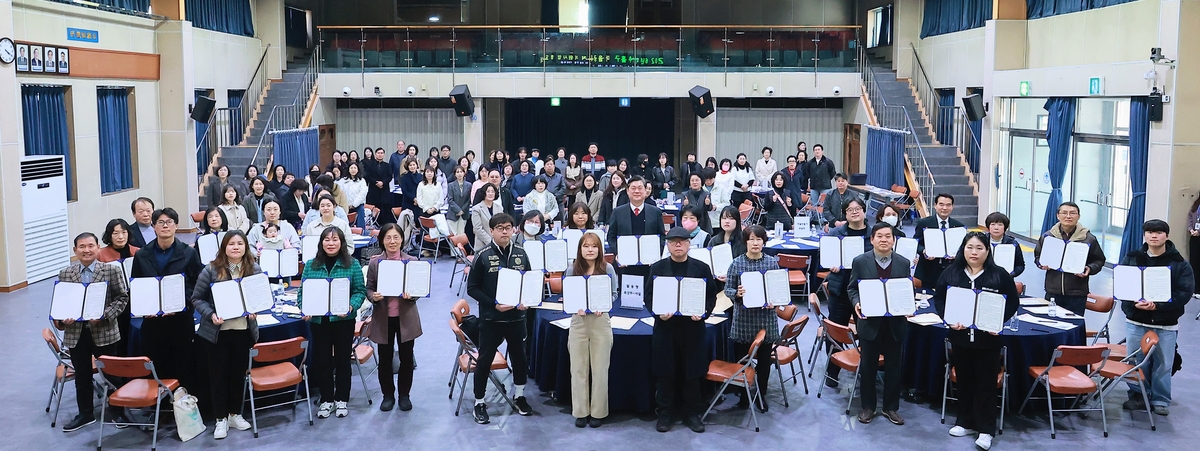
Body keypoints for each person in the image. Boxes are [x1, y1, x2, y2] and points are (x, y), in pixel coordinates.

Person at [933, 231, 1020, 451]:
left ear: (988, 251)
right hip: (960, 337)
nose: (974, 252)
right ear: (963, 249)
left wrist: (998, 321)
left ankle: (986, 430)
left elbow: (1012, 303)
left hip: (987, 341)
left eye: (979, 248)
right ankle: (965, 422)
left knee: (986, 384)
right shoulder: (952, 273)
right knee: (964, 381)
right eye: (970, 247)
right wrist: (949, 320)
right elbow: (940, 299)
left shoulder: (999, 275)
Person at [56, 232, 131, 432]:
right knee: (81, 375)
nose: (86, 250)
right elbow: (60, 303)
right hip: (76, 333)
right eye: (82, 246)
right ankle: (85, 413)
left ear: (98, 248)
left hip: (104, 331)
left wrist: (105, 315)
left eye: (90, 246)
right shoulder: (66, 273)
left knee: (112, 373)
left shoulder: (110, 271)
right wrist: (63, 319)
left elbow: (122, 298)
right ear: (75, 251)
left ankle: (118, 410)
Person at [1118, 219, 1194, 417]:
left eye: (1159, 232)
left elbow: (1184, 293)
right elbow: (1123, 285)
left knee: (1163, 362)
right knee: (1135, 359)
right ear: (1144, 235)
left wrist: (1158, 306)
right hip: (1136, 319)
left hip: (1165, 323)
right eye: (1150, 232)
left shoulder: (1179, 264)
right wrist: (1132, 303)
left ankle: (1160, 399)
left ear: (1166, 236)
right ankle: (1137, 395)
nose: (1154, 236)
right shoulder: (1132, 258)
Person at [646, 226, 719, 433]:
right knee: (665, 372)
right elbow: (649, 296)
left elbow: (711, 296)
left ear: (689, 244)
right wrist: (657, 312)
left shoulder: (701, 268)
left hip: (692, 329)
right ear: (667, 245)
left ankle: (691, 413)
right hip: (666, 329)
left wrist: (704, 312)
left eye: (682, 241)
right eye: (673, 241)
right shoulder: (657, 268)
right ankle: (665, 413)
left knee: (692, 373)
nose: (678, 244)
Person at [466, 212, 536, 424]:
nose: (505, 231)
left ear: (514, 230)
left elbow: (529, 282)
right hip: (491, 319)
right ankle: (479, 402)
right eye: (500, 228)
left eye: (508, 227)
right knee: (485, 360)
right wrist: (494, 304)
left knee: (520, 358)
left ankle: (520, 396)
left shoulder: (521, 253)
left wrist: (526, 300)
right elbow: (472, 289)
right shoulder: (482, 255)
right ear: (492, 231)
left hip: (517, 319)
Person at [190, 231, 260, 439]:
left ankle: (234, 414)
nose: (236, 247)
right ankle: (220, 419)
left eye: (240, 243)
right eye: (231, 244)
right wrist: (211, 314)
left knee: (238, 375)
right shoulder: (211, 269)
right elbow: (197, 298)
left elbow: (260, 296)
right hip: (217, 334)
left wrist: (257, 308)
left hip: (242, 331)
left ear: (246, 247)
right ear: (224, 247)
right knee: (218, 376)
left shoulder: (254, 269)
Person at [130, 208, 204, 389]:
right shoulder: (142, 255)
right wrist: (144, 309)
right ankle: (161, 409)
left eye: (170, 222)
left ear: (176, 226)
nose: (165, 226)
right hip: (153, 321)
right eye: (161, 222)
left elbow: (196, 284)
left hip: (180, 318)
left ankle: (184, 407)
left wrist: (181, 302)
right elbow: (136, 286)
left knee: (183, 362)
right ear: (154, 226)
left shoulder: (188, 252)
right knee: (157, 363)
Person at [847, 222, 912, 426]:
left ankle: (891, 407)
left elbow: (905, 288)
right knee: (868, 368)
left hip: (895, 323)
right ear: (872, 239)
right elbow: (852, 288)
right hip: (869, 323)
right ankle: (868, 407)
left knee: (894, 367)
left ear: (894, 240)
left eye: (888, 236)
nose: (884, 240)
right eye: (880, 236)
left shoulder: (903, 262)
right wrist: (857, 303)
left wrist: (908, 303)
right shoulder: (860, 261)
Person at [298, 227, 366, 419]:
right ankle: (327, 399)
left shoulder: (352, 264)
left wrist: (351, 307)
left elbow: (359, 291)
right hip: (319, 322)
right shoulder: (311, 265)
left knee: (343, 359)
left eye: (335, 239)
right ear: (321, 243)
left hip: (343, 321)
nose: (331, 243)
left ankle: (342, 399)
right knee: (322, 360)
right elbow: (303, 292)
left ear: (341, 242)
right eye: (327, 240)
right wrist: (305, 308)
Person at [365, 224, 423, 412]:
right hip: (383, 318)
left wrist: (412, 294)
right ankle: (387, 395)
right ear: (382, 240)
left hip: (406, 317)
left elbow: (418, 289)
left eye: (396, 237)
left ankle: (404, 395)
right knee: (385, 358)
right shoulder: (375, 263)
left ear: (402, 240)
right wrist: (373, 296)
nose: (392, 241)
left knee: (407, 358)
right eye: (388, 238)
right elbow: (369, 288)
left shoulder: (411, 261)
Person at [724, 225, 780, 411]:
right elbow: (727, 290)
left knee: (764, 363)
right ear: (745, 242)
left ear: (764, 242)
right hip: (743, 321)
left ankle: (760, 395)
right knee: (742, 361)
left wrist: (776, 301)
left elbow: (777, 290)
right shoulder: (736, 263)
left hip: (766, 320)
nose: (755, 243)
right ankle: (743, 396)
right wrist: (737, 293)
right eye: (751, 239)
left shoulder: (772, 263)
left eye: (759, 239)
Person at [564, 232, 617, 428]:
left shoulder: (607, 268)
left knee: (600, 368)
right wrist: (575, 305)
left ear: (599, 248)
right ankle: (581, 411)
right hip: (578, 321)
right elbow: (569, 294)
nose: (590, 250)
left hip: (600, 321)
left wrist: (602, 305)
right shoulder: (572, 269)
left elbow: (614, 293)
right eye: (586, 246)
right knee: (578, 368)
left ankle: (598, 412)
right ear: (580, 249)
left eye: (594, 246)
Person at [821, 198, 870, 385]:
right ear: (845, 213)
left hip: (864, 292)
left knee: (866, 332)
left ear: (864, 212)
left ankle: (865, 369)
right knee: (835, 331)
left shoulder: (873, 235)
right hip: (840, 289)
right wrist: (830, 265)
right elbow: (824, 258)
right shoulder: (835, 233)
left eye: (858, 209)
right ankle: (832, 370)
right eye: (850, 209)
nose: (855, 212)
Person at [1033, 201, 1106, 316]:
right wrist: (1040, 264)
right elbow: (1038, 256)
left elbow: (1099, 260)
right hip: (1053, 291)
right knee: (1051, 324)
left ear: (1078, 216)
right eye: (1064, 213)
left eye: (1072, 213)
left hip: (1077, 293)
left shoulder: (1088, 238)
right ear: (1058, 215)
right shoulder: (1048, 237)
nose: (1068, 216)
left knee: (1074, 325)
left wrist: (1089, 269)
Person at [915, 194, 965, 290]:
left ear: (952, 207)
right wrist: (924, 251)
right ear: (935, 205)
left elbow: (963, 247)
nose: (944, 208)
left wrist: (958, 254)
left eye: (948, 205)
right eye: (941, 204)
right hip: (928, 269)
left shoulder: (958, 226)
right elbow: (916, 243)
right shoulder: (924, 223)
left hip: (950, 269)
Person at [983, 212, 1025, 277]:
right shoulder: (981, 240)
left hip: (1005, 279)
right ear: (988, 227)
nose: (996, 228)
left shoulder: (1012, 243)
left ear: (1005, 227)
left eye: (1000, 225)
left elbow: (1020, 265)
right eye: (993, 224)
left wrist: (1012, 273)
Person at [469, 183, 502, 250]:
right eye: (488, 191)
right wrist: (491, 242)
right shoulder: (477, 208)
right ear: (484, 193)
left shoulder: (499, 208)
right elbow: (477, 229)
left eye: (492, 191)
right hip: (482, 245)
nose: (490, 194)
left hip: (498, 243)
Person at [367, 148, 395, 224]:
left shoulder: (387, 165)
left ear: (384, 154)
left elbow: (389, 176)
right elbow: (368, 176)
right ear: (375, 154)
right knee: (374, 207)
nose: (380, 154)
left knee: (385, 208)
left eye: (382, 153)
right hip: (374, 190)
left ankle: (385, 225)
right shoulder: (370, 165)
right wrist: (376, 183)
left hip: (384, 189)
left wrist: (383, 182)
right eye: (378, 153)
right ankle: (375, 224)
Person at [338, 162, 368, 228]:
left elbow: (362, 194)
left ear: (358, 170)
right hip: (345, 205)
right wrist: (345, 204)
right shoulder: (342, 181)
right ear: (348, 169)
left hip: (358, 205)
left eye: (355, 168)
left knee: (360, 216)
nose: (353, 170)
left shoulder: (362, 181)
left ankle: (362, 233)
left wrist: (354, 205)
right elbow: (340, 193)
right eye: (351, 168)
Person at [447, 166, 472, 236]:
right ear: (455, 174)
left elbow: (469, 200)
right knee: (453, 236)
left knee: (461, 235)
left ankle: (459, 247)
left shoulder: (469, 185)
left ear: (464, 173)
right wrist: (458, 210)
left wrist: (462, 210)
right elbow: (450, 200)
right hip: (452, 214)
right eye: (457, 172)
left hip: (464, 214)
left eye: (461, 172)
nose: (459, 174)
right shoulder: (451, 185)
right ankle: (454, 248)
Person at [1187, 195, 1200, 291]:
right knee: (1194, 261)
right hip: (1194, 237)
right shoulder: (1196, 204)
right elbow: (1190, 217)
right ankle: (1195, 288)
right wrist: (1191, 229)